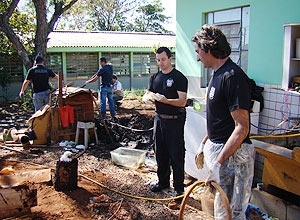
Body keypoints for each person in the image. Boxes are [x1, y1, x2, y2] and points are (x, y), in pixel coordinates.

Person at [192, 24, 255, 220]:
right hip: (220, 152)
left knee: (231, 213)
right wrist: (204, 143)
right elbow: (219, 119)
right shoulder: (217, 75)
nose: (197, 57)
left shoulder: (232, 77)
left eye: (198, 52)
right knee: (221, 211)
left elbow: (242, 127)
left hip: (234, 158)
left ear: (208, 48)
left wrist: (219, 164)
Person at [142, 47, 188, 198]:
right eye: (158, 60)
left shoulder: (179, 78)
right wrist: (147, 98)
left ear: (170, 59)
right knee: (160, 152)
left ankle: (179, 187)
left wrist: (166, 100)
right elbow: (148, 93)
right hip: (159, 119)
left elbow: (182, 101)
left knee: (176, 153)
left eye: (163, 59)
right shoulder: (155, 77)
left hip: (174, 121)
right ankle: (163, 182)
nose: (160, 63)